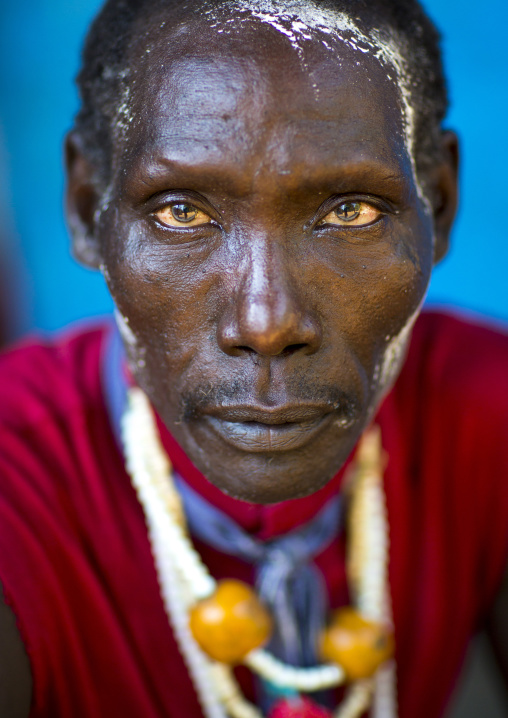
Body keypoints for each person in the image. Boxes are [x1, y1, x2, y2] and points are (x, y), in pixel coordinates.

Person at [0, 0, 507, 716]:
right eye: (182, 211)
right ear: (88, 208)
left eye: (351, 211)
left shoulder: (485, 413)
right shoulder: (15, 479)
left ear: (441, 206)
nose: (267, 322)